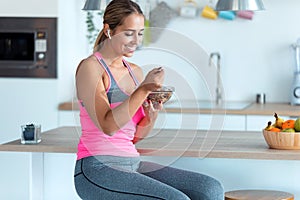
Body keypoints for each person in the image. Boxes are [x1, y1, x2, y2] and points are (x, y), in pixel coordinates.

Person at [74, 0, 224, 199]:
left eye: (140, 33)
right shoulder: (90, 68)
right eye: (129, 33)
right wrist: (144, 88)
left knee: (210, 189)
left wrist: (150, 118)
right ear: (108, 30)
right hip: (96, 167)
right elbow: (108, 126)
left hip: (132, 162)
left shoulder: (134, 71)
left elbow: (133, 137)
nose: (136, 41)